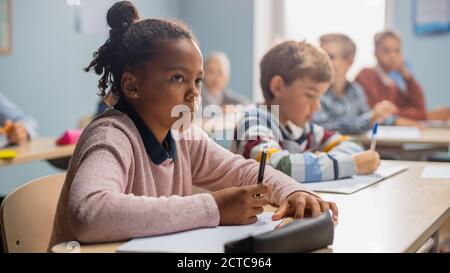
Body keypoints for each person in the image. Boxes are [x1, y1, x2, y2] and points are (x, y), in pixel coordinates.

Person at [49, 1, 338, 248]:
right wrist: (214, 207)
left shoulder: (183, 136)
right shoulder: (111, 136)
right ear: (132, 86)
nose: (194, 92)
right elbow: (89, 213)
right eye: (178, 78)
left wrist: (293, 192)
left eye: (196, 80)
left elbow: (243, 171)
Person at [230, 41, 380, 183]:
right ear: (278, 87)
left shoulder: (302, 129)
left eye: (319, 97)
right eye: (310, 95)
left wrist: (326, 161)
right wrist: (350, 164)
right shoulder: (253, 121)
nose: (317, 106)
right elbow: (277, 167)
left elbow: (350, 143)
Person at [313, 33, 418, 134]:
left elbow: (367, 116)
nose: (321, 62)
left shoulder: (356, 91)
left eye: (330, 57)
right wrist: (371, 118)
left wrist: (394, 120)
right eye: (319, 56)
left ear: (349, 61)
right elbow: (321, 128)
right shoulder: (314, 92)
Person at [356, 30, 450, 121]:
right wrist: (426, 116)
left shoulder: (391, 83)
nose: (392, 56)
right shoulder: (366, 75)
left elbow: (418, 107)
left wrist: (406, 75)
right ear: (375, 53)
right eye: (386, 51)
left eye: (397, 51)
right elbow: (379, 113)